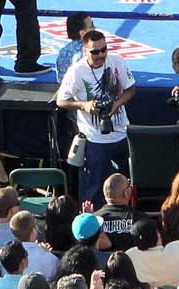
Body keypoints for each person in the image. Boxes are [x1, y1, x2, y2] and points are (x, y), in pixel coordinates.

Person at [56, 29, 135, 207]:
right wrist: (84, 105)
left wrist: (117, 104)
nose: (101, 55)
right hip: (94, 140)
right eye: (95, 52)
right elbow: (61, 100)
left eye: (104, 50)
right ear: (85, 51)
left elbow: (131, 90)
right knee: (94, 190)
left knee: (124, 187)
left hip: (121, 134)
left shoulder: (117, 61)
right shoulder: (77, 71)